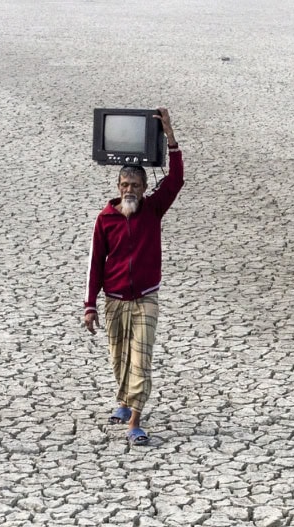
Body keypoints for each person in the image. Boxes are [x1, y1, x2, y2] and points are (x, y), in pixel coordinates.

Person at [83, 107, 181, 445]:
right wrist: (90, 305)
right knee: (119, 356)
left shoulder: (153, 210)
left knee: (141, 358)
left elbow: (177, 179)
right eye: (125, 184)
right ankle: (124, 401)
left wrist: (169, 136)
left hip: (145, 300)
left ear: (143, 187)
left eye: (136, 185)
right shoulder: (106, 218)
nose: (130, 189)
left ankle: (135, 420)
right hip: (114, 300)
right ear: (118, 185)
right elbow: (95, 262)